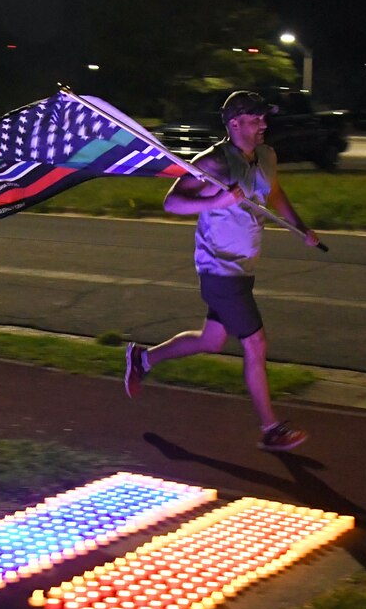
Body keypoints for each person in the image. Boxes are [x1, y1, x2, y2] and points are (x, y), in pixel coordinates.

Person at [124, 90, 323, 452]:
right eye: (255, 119)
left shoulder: (266, 155)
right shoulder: (214, 163)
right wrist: (217, 199)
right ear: (234, 124)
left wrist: (299, 227)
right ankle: (270, 428)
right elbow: (172, 202)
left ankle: (143, 359)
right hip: (219, 269)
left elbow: (274, 193)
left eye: (264, 118)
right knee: (256, 343)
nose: (263, 124)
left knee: (211, 340)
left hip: (243, 267)